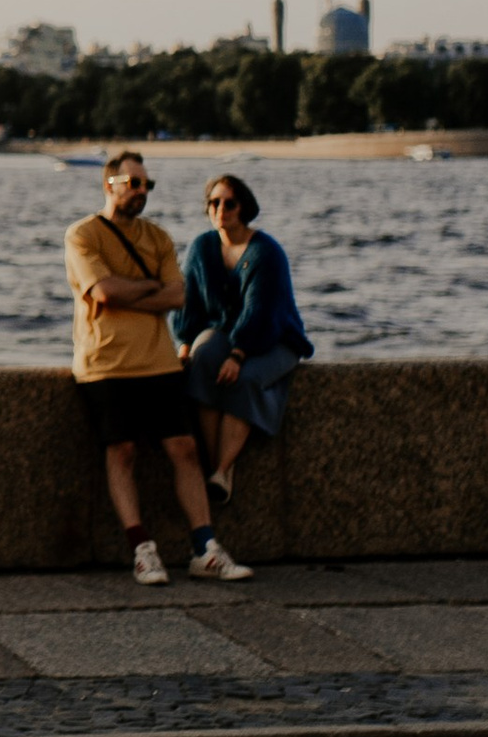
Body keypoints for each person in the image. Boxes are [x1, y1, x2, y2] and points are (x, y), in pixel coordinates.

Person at [66, 148, 248, 585]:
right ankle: (142, 549)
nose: (142, 191)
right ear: (109, 185)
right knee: (122, 451)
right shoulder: (83, 235)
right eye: (134, 184)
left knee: (184, 449)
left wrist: (135, 292)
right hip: (105, 363)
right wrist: (149, 289)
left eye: (148, 185)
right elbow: (104, 292)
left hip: (159, 361)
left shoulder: (158, 238)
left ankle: (205, 547)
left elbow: (178, 296)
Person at [179, 172, 313, 502]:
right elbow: (188, 302)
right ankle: (216, 470)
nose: (220, 209)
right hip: (227, 334)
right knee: (203, 361)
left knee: (245, 379)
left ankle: (223, 471)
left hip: (277, 339)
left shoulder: (266, 253)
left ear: (244, 208)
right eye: (214, 202)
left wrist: (238, 356)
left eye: (229, 203)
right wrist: (184, 345)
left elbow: (262, 314)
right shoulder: (201, 248)